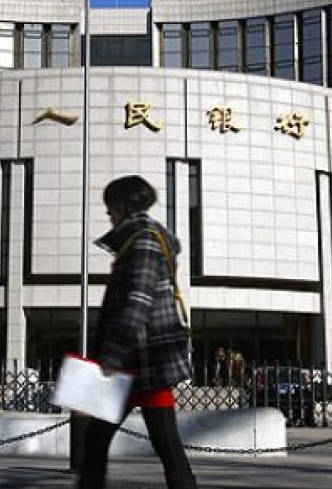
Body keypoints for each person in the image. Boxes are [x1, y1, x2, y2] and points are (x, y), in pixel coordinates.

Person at [77, 175, 197, 489]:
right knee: (163, 446)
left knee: (102, 441)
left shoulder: (143, 240)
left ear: (123, 205)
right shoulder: (141, 238)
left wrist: (111, 357)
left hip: (137, 363)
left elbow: (137, 302)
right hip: (143, 363)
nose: (108, 214)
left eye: (110, 206)